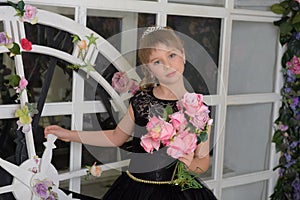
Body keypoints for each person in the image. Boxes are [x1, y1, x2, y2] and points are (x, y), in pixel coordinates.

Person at [44, 26, 217, 200]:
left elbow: (202, 161)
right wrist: (70, 135)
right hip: (136, 189)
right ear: (149, 69)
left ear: (183, 55)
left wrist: (191, 165)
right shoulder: (141, 100)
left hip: (179, 193)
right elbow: (116, 137)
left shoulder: (198, 110)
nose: (167, 65)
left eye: (171, 55)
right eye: (157, 61)